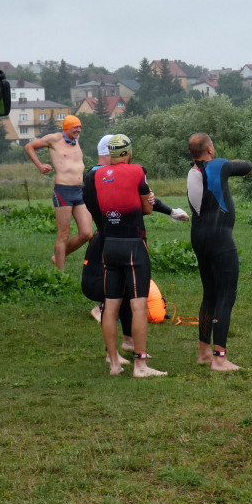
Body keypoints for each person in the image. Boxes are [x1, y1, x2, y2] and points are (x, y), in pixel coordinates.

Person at [82, 135, 187, 361]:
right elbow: (147, 208)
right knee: (138, 302)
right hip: (132, 244)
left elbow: (93, 204)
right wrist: (154, 204)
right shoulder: (137, 171)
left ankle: (114, 359)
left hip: (108, 240)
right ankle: (139, 361)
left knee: (110, 304)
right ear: (128, 153)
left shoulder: (95, 176)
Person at [187, 133, 252, 371]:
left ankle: (204, 352)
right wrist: (229, 162)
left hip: (199, 237)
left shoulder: (193, 171)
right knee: (226, 295)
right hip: (220, 239)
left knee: (210, 295)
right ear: (210, 149)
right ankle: (220, 358)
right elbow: (247, 167)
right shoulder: (218, 164)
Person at [25, 115, 93, 270]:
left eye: (80, 127)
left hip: (79, 190)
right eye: (75, 127)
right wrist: (40, 166)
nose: (79, 130)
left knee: (86, 233)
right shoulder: (54, 139)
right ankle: (59, 274)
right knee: (63, 235)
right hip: (64, 191)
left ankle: (57, 257)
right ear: (67, 127)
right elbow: (29, 146)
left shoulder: (76, 139)